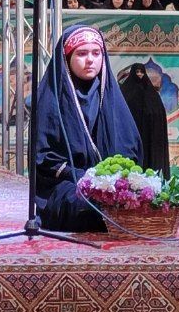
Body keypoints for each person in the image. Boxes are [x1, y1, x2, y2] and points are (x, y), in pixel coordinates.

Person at [34, 25, 142, 232]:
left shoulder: (111, 96)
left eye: (96, 53)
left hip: (110, 181)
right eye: (82, 53)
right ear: (67, 58)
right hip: (66, 182)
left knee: (137, 200)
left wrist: (114, 178)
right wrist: (85, 178)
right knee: (88, 207)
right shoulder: (51, 98)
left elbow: (130, 148)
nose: (90, 60)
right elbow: (44, 157)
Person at [120, 63, 170, 176]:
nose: (139, 74)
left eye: (141, 72)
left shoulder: (151, 94)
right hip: (131, 136)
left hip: (149, 137)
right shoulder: (124, 92)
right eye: (137, 72)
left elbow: (159, 114)